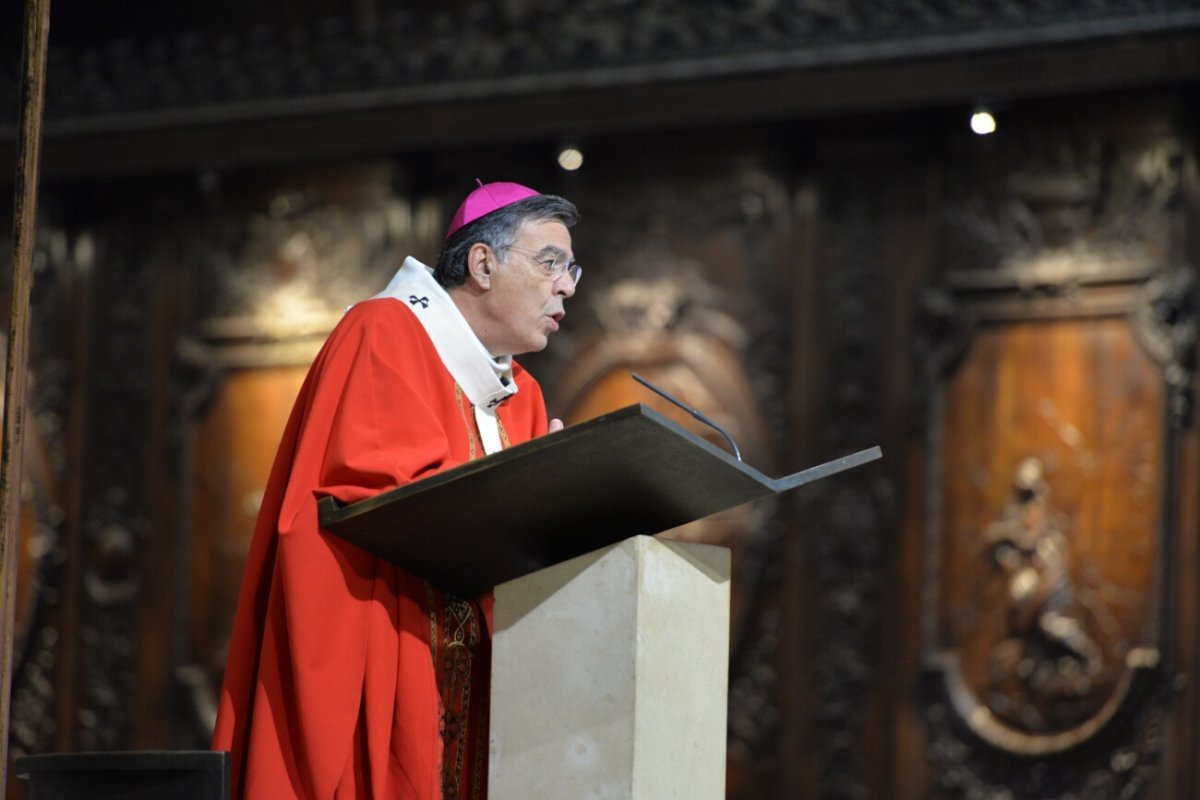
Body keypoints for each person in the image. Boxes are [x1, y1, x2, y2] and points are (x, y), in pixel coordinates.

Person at [212, 181, 581, 800]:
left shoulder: (525, 397)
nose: (567, 285)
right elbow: (377, 506)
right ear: (482, 263)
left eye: (572, 269)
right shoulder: (383, 331)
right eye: (550, 263)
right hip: (387, 651)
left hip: (482, 689)